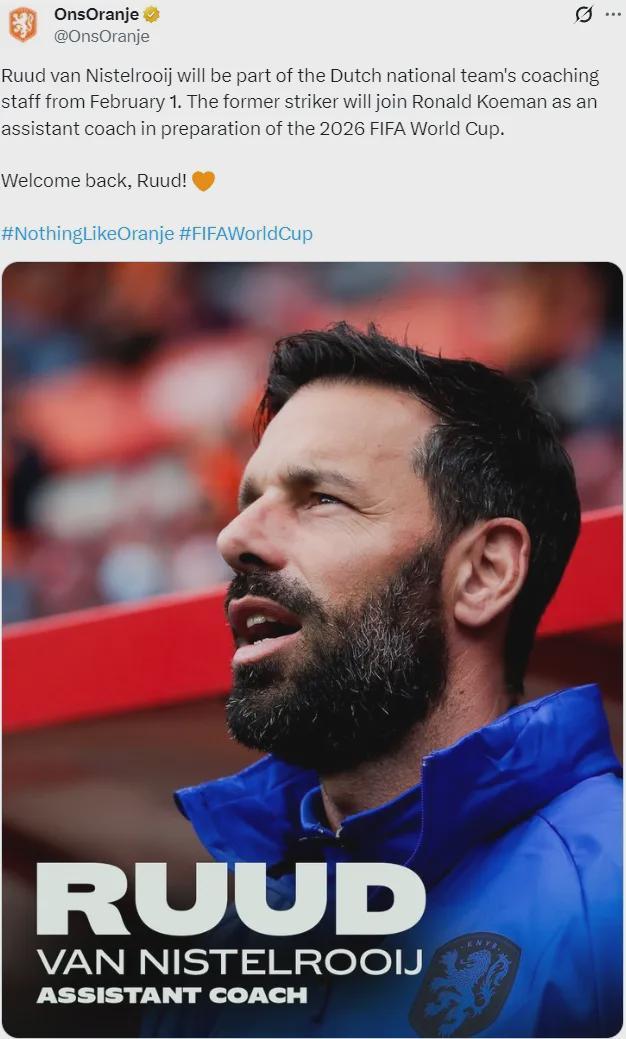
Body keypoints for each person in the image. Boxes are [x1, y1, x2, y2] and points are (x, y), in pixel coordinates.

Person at [152, 323, 622, 1038]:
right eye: (249, 500)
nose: (234, 537)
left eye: (320, 498)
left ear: (484, 572)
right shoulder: (224, 949)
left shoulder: (608, 891)